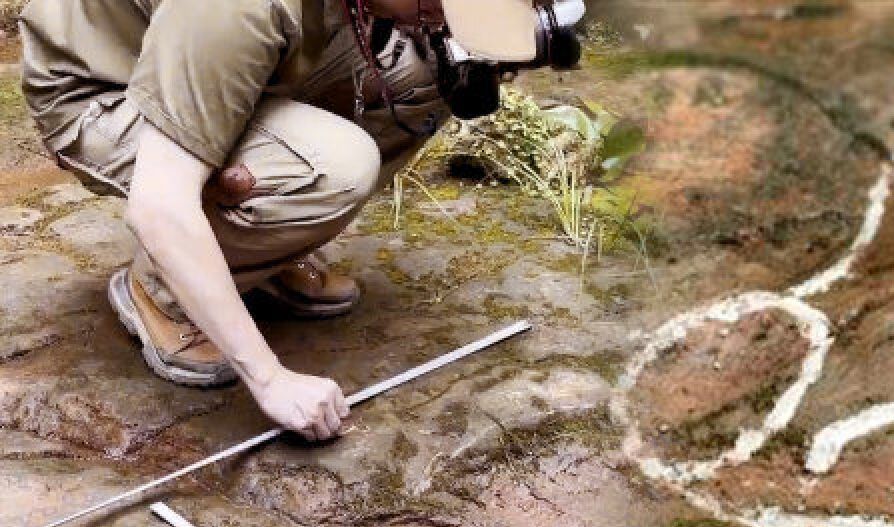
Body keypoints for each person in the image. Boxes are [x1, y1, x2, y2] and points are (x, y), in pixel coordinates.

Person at [18, 0, 548, 442]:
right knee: (337, 169)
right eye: (433, 5)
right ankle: (162, 290)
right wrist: (269, 379)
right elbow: (160, 201)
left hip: (211, 50)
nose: (434, 19)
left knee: (431, 71)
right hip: (106, 89)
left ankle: (261, 248)